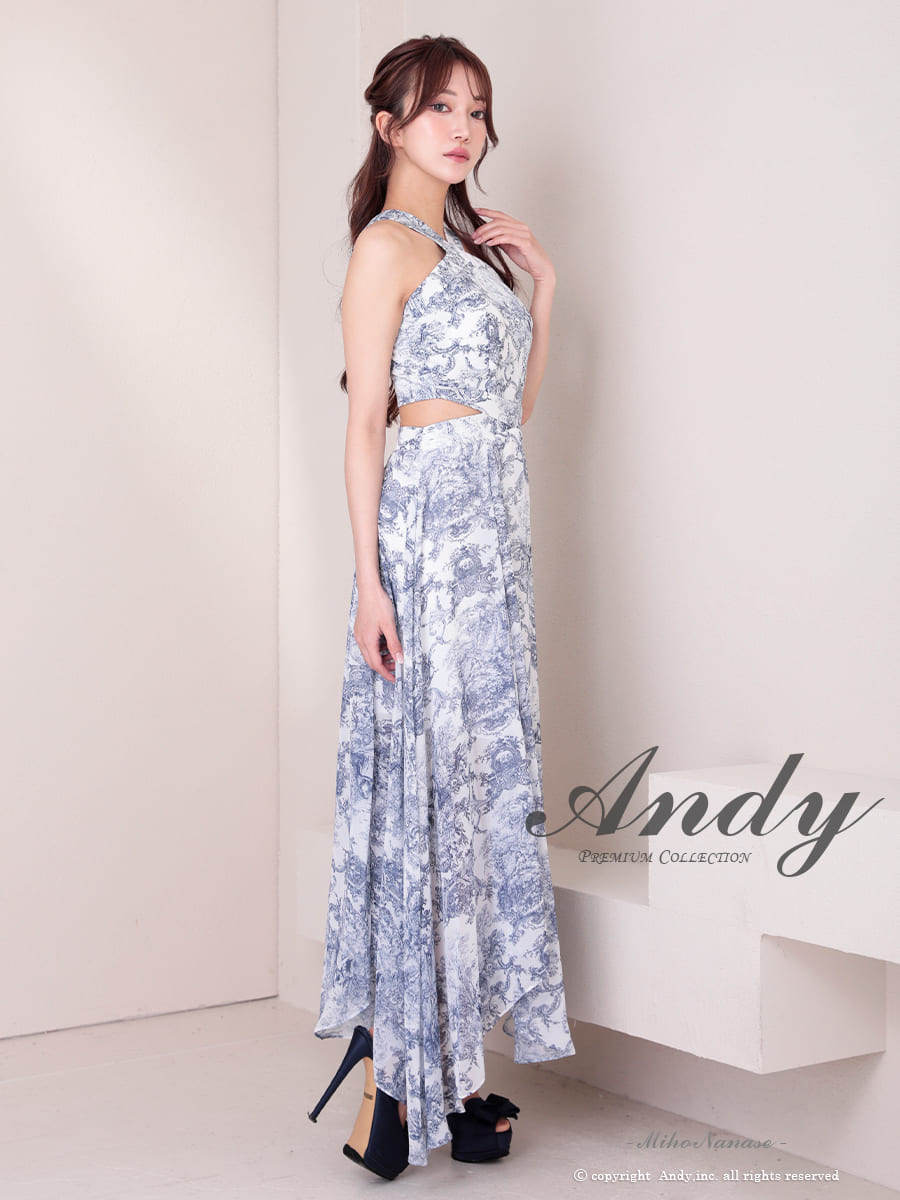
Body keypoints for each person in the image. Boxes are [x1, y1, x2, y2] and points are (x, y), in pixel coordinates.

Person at [308, 34, 575, 1179]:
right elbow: (366, 423)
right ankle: (402, 1075)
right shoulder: (387, 247)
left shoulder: (469, 252)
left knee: (470, 800)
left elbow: (510, 410)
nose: (463, 129)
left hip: (493, 557)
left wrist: (545, 292)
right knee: (428, 793)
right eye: (438, 109)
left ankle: (449, 1069)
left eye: (475, 109)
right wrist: (369, 582)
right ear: (390, 127)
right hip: (422, 551)